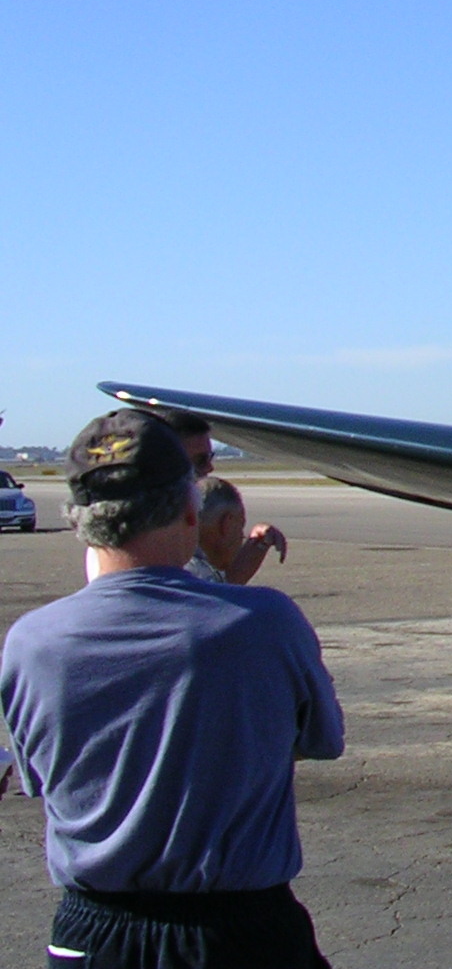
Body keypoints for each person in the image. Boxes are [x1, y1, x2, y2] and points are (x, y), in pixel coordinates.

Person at [1, 409, 344, 968]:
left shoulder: (31, 643)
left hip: (91, 935)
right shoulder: (265, 622)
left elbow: (41, 779)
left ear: (77, 521)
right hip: (240, 934)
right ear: (191, 509)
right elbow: (321, 739)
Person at [157, 410, 287, 583]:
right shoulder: (149, 528)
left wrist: (258, 545)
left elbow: (223, 586)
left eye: (210, 457)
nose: (210, 468)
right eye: (201, 460)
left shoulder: (187, 513)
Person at [188, 476, 249, 584]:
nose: (241, 537)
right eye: (240, 527)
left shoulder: (165, 564)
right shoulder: (202, 578)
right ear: (227, 524)